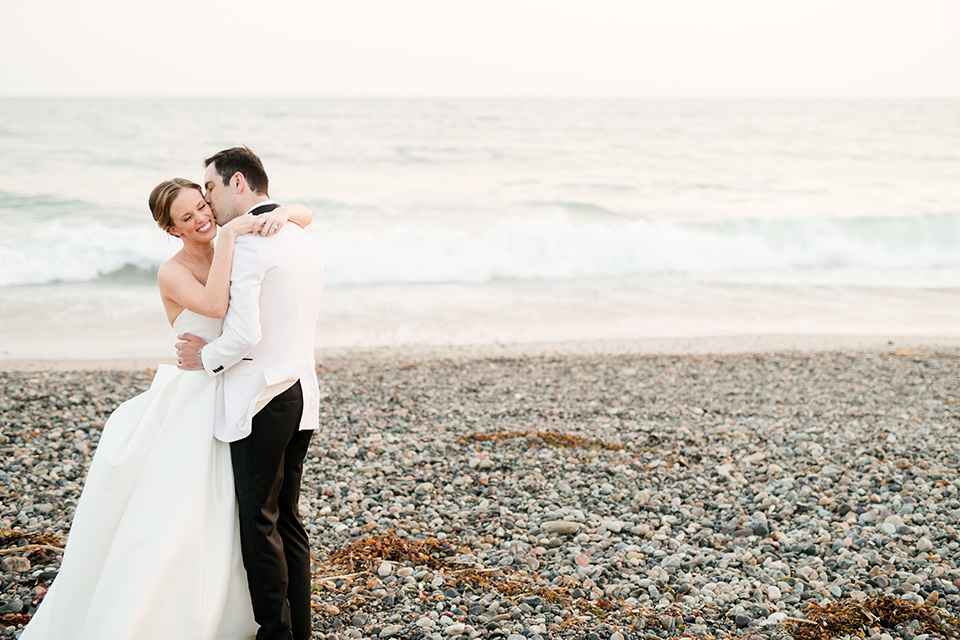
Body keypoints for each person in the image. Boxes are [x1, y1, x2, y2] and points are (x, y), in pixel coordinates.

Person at [19, 177, 313, 640]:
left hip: (232, 389)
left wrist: (281, 212)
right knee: (182, 510)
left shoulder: (231, 240)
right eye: (187, 218)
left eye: (202, 207)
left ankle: (240, 611)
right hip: (195, 393)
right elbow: (216, 304)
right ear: (171, 229)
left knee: (235, 512)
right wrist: (235, 231)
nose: (202, 220)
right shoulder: (173, 269)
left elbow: (304, 217)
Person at [176, 146, 324, 640]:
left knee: (258, 522)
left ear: (237, 183)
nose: (208, 201)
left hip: (262, 398)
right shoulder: (297, 235)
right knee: (288, 520)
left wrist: (204, 357)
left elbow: (242, 336)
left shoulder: (250, 246)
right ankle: (297, 630)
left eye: (211, 189)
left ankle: (274, 633)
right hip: (301, 391)